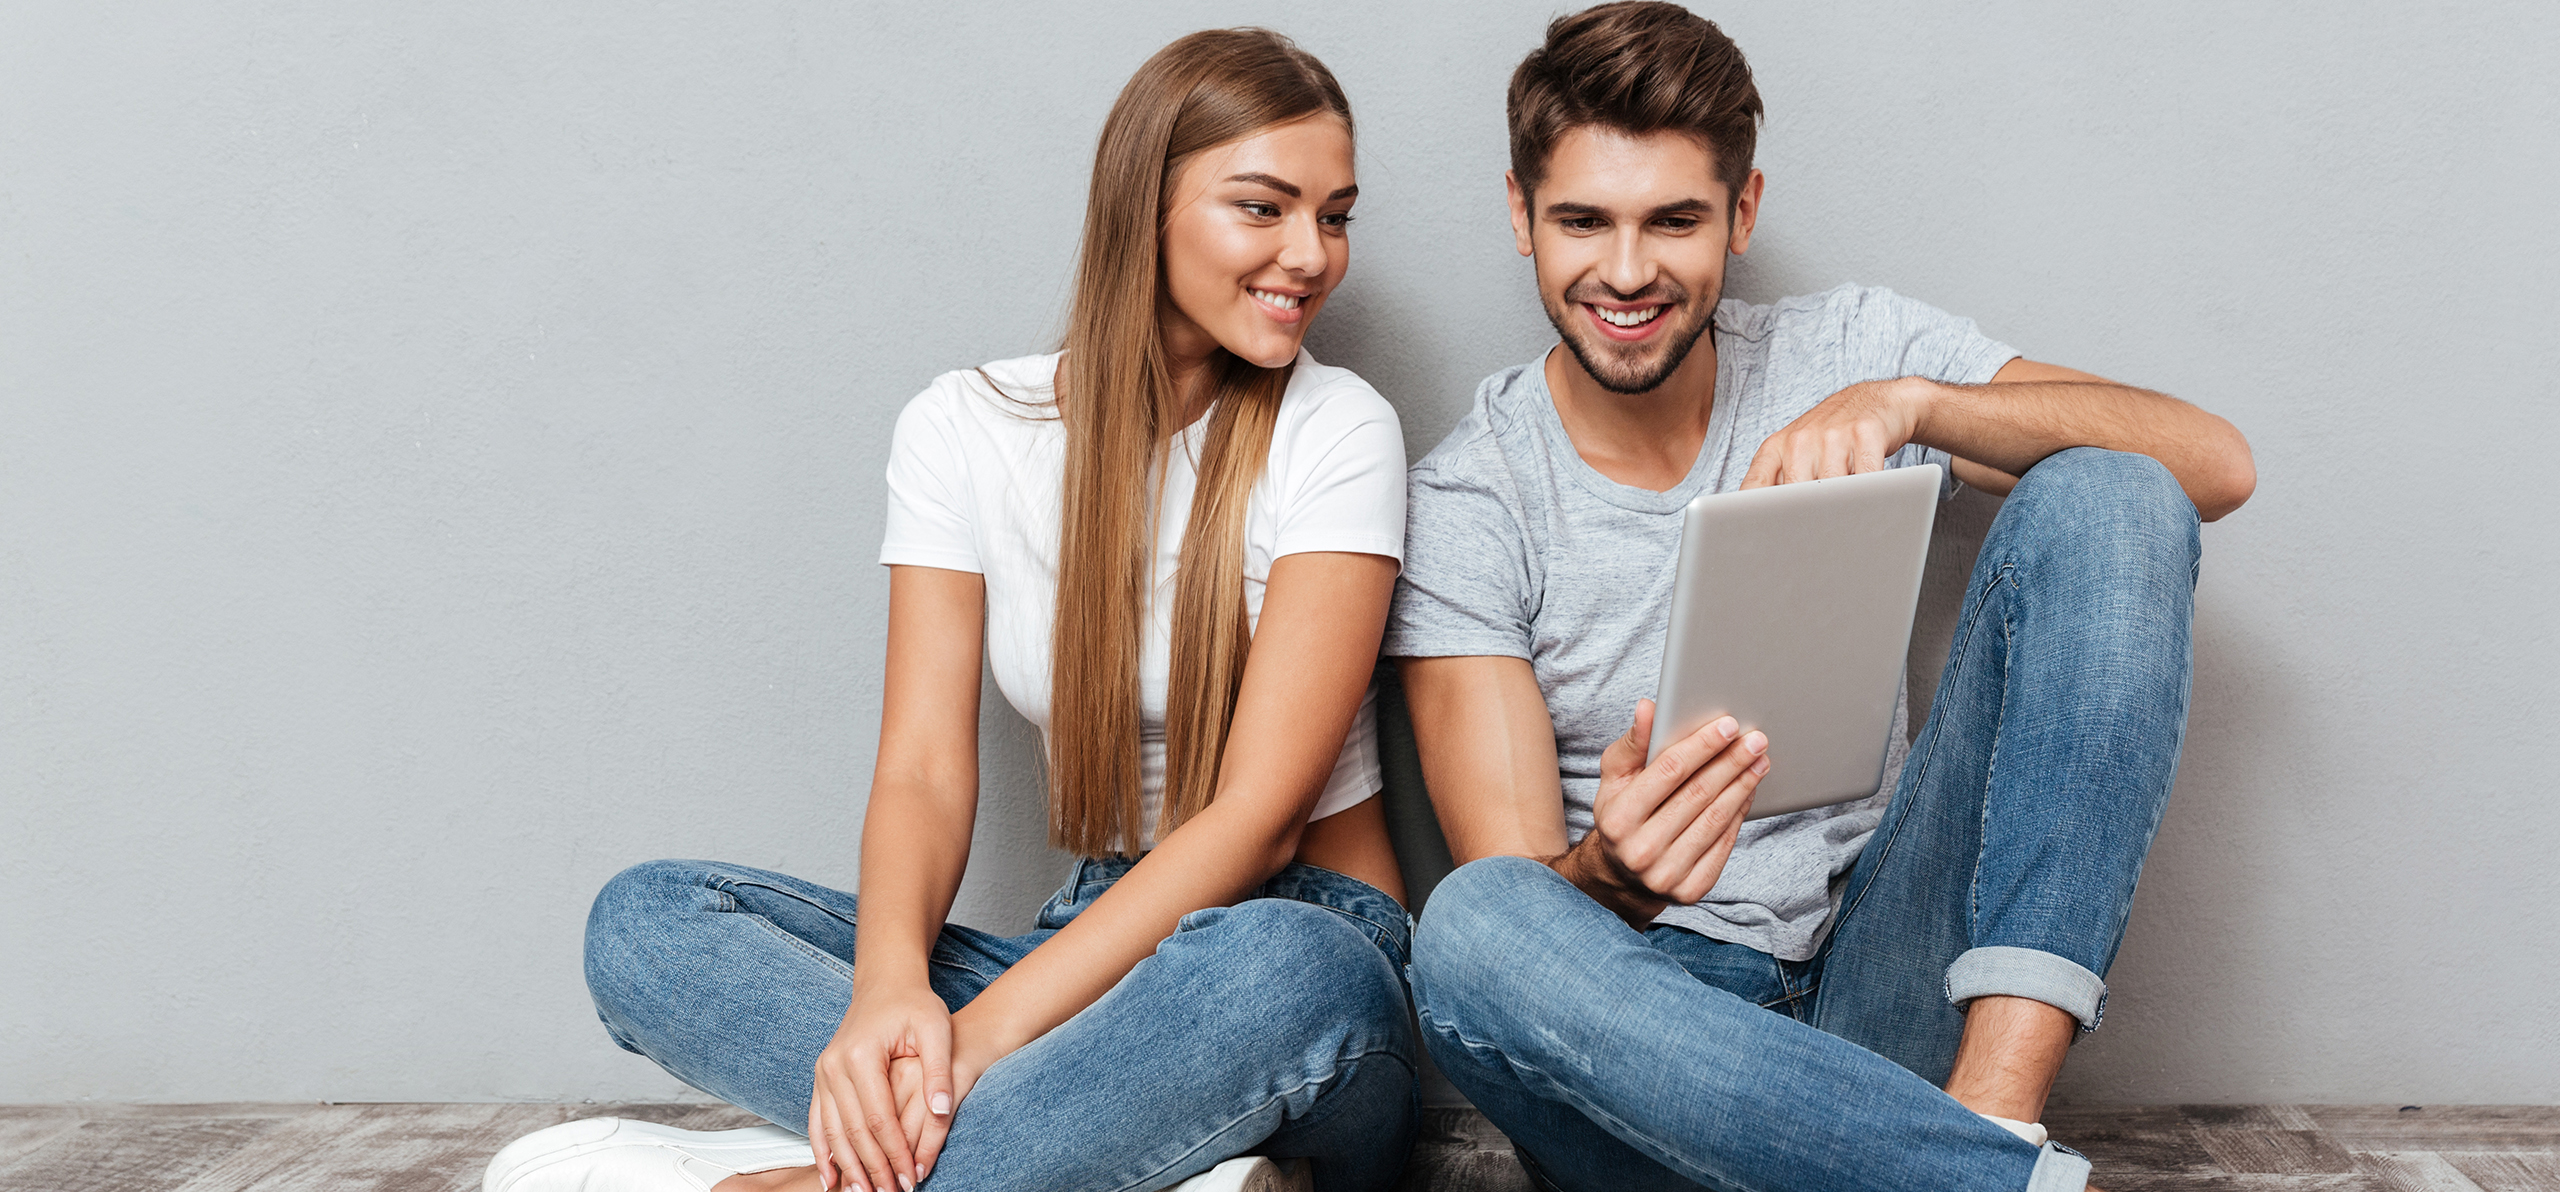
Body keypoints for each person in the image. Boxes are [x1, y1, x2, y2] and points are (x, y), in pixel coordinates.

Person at [483, 29, 1417, 1192]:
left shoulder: (1339, 431)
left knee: (1287, 968)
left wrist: (973, 1043)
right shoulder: (964, 428)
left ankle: (833, 1171)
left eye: (1335, 216)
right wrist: (890, 999)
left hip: (1295, 951)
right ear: (1144, 207)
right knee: (646, 921)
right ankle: (1107, 1151)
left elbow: (1259, 822)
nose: (1311, 255)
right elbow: (923, 769)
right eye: (1263, 208)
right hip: (1080, 954)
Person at [1389, 5, 2256, 1191]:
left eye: (1674, 220)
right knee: (1473, 923)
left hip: (1881, 984)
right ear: (1519, 215)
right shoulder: (1472, 496)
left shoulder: (1845, 349)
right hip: (1658, 1046)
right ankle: (1979, 1178)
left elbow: (2212, 465)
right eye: (1582, 220)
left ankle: (1981, 1134)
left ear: (1741, 213)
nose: (1626, 271)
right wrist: (1610, 877)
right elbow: (1520, 903)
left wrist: (1914, 403)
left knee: (2113, 491)